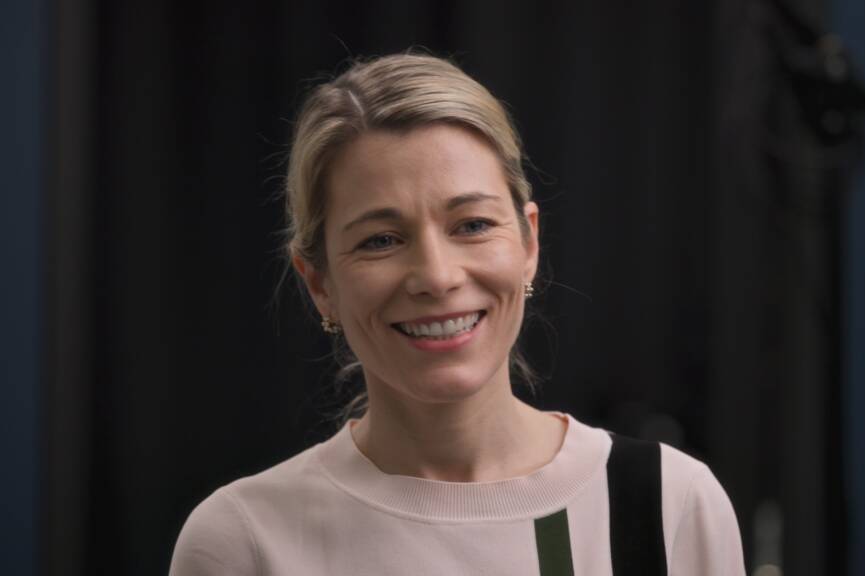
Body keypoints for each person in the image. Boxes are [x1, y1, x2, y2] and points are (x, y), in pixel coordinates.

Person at [169, 53, 744, 575]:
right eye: (381, 239)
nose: (437, 276)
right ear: (319, 283)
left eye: (472, 225)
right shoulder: (244, 541)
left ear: (529, 243)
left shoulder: (669, 503)